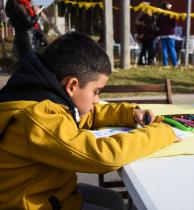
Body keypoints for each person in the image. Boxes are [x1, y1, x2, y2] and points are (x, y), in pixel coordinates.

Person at [0, 32, 176, 210]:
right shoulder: (37, 119)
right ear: (72, 86)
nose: (97, 100)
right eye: (96, 92)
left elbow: (85, 115)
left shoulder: (42, 95)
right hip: (31, 203)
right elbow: (102, 156)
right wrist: (164, 132)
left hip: (52, 192)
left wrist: (130, 114)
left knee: (113, 200)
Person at [156, 1, 178, 67]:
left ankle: (165, 64)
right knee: (172, 49)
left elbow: (158, 25)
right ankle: (175, 64)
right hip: (170, 34)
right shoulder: (171, 14)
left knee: (164, 50)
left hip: (163, 34)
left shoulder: (160, 15)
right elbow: (174, 24)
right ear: (167, 7)